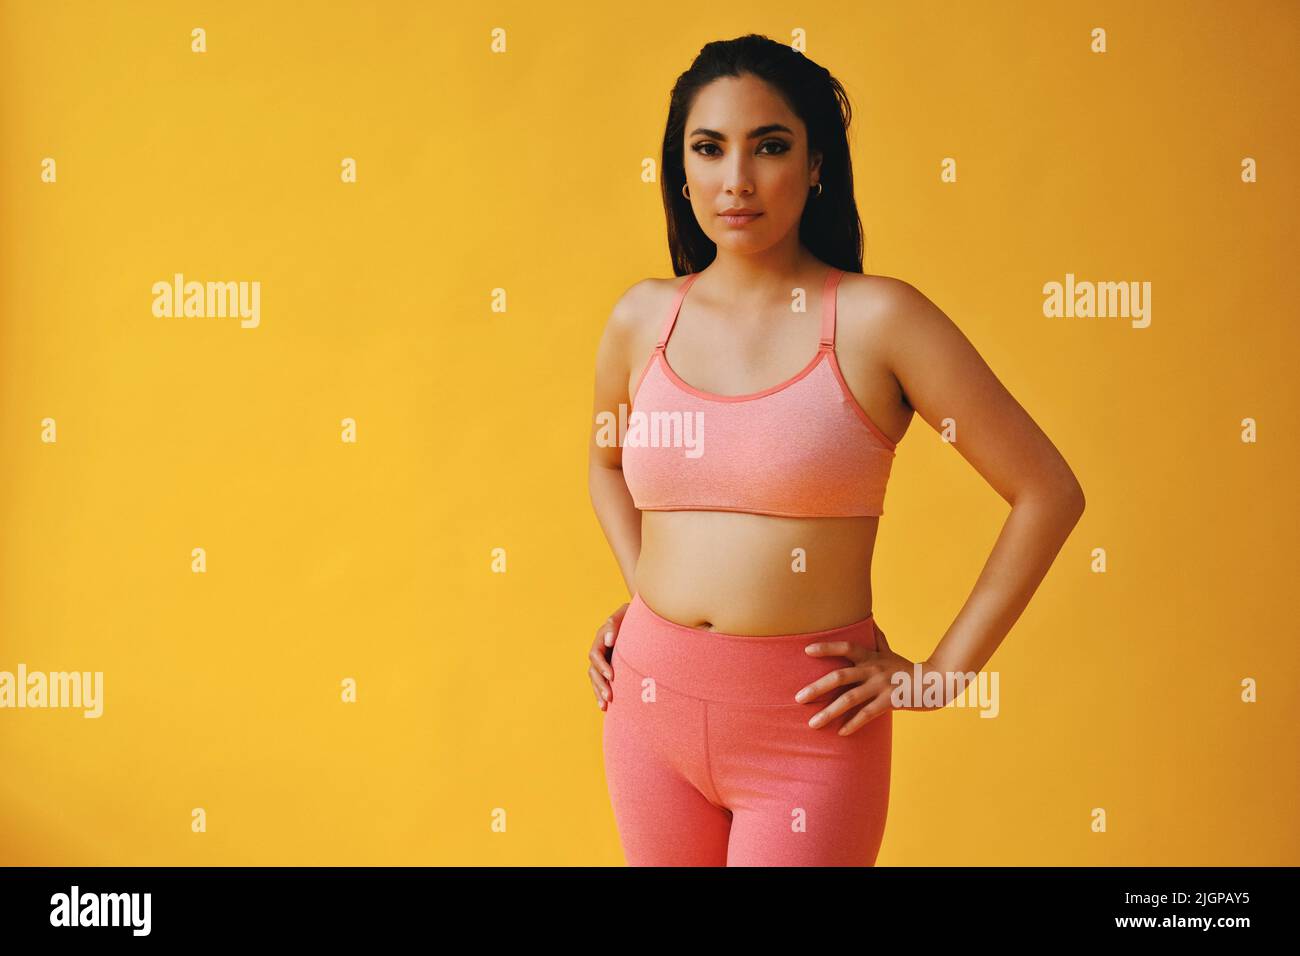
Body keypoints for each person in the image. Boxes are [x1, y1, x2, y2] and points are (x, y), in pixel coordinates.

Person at [586, 35, 1085, 867]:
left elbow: (1047, 491)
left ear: (816, 164)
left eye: (770, 146)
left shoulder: (878, 320)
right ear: (679, 171)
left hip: (807, 727)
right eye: (708, 149)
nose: (736, 179)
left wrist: (943, 673)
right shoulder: (643, 318)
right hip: (647, 708)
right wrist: (647, 596)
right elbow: (604, 463)